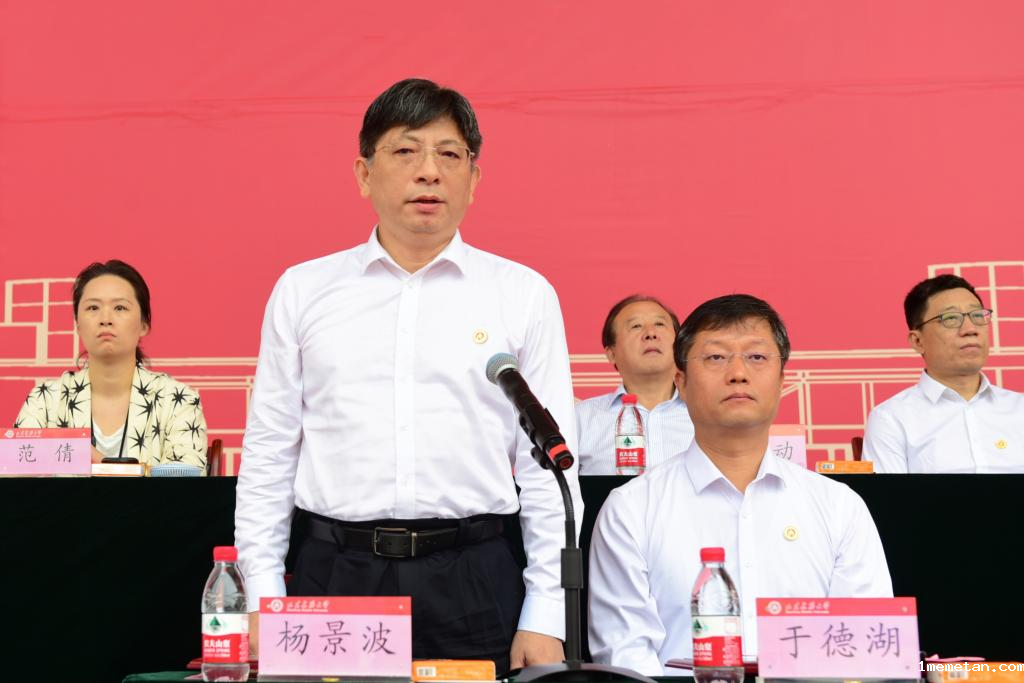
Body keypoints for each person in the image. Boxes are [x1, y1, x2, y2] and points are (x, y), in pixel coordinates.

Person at [235, 78, 581, 672]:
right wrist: (263, 597)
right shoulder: (304, 290)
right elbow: (270, 453)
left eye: (449, 154)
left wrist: (546, 612)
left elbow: (547, 469)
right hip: (336, 573)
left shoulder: (522, 294)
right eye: (405, 151)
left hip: (474, 576)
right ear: (364, 173)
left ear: (474, 178)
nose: (429, 172)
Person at [588, 294, 892, 675]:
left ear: (781, 381)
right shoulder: (631, 509)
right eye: (716, 357)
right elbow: (627, 659)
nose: (737, 373)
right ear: (681, 381)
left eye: (757, 357)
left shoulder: (839, 506)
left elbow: (866, 651)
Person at [15, 260, 208, 471]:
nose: (105, 319)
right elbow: (10, 469)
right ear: (77, 324)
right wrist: (75, 453)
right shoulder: (45, 399)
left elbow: (185, 484)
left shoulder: (178, 401)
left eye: (120, 308)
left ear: (144, 324)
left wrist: (99, 463)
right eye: (93, 307)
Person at [863, 274, 1024, 473]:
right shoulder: (892, 419)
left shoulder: (1020, 409)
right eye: (951, 318)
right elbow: (889, 494)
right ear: (917, 341)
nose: (970, 329)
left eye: (977, 316)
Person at [576, 295, 693, 474]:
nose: (651, 333)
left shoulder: (708, 415)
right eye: (636, 326)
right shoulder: (581, 418)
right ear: (611, 353)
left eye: (660, 324)